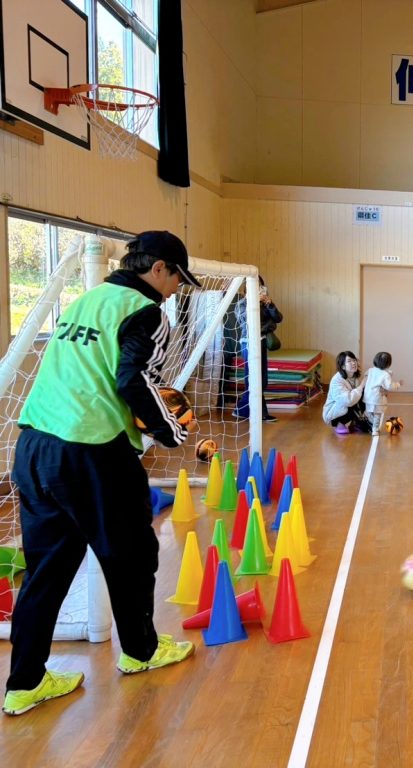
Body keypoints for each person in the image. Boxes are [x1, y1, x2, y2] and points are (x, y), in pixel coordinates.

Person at [3, 231, 197, 717]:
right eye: (176, 278)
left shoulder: (87, 300)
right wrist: (171, 429)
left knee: (44, 572)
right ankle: (141, 652)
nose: (176, 289)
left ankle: (24, 683)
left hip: (34, 444)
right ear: (159, 269)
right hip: (90, 453)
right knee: (132, 555)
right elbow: (133, 379)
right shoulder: (145, 310)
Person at [232, 275, 283, 423]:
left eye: (260, 286)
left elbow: (278, 318)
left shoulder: (265, 303)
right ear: (247, 289)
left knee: (262, 380)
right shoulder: (242, 304)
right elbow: (246, 323)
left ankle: (242, 410)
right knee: (254, 379)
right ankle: (259, 413)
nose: (258, 289)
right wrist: (268, 325)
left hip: (261, 342)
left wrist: (270, 304)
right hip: (248, 343)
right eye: (254, 286)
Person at [322, 351, 371, 435]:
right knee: (357, 394)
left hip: (346, 407)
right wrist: (362, 385)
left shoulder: (354, 377)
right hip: (332, 414)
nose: (353, 363)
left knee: (366, 393)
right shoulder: (336, 380)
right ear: (343, 366)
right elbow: (347, 401)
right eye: (349, 361)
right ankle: (339, 423)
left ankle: (356, 423)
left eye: (354, 360)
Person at [364, 351, 399, 436]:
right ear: (388, 364)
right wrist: (398, 384)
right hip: (377, 398)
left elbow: (366, 376)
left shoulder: (370, 370)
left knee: (369, 412)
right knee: (377, 414)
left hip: (368, 396)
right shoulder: (385, 374)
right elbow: (389, 386)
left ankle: (371, 423)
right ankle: (375, 429)